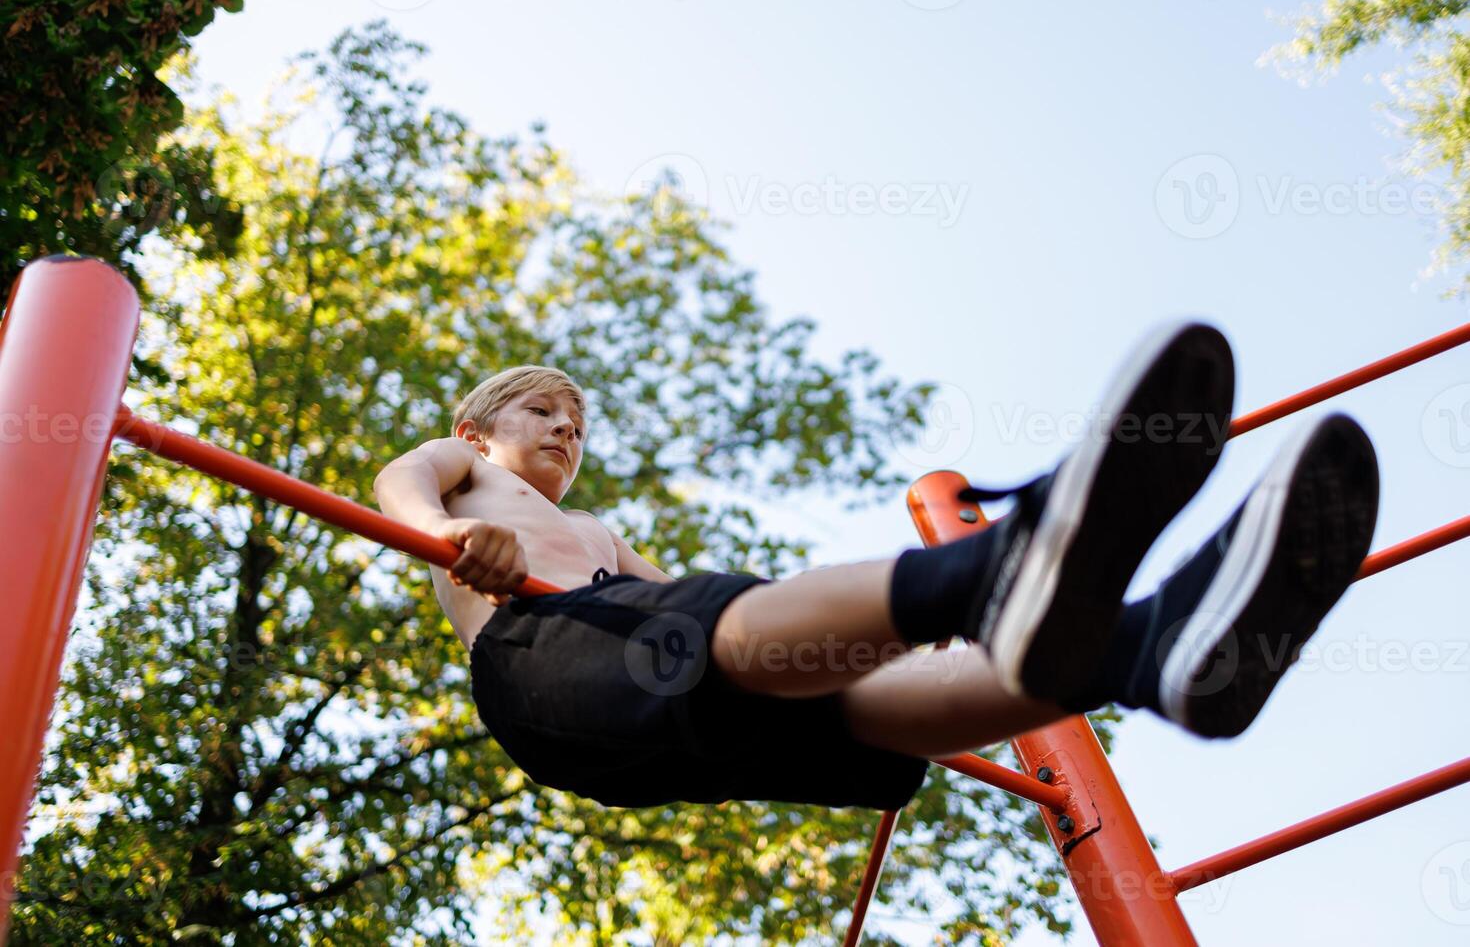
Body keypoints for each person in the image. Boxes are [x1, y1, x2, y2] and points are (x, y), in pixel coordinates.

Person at [372, 322, 1380, 811]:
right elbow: (397, 476)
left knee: (847, 696)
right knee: (709, 626)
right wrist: (450, 534)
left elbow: (690, 595)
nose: (564, 428)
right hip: (540, 656)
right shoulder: (465, 474)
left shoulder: (594, 524)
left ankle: (1143, 654)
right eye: (542, 411)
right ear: (479, 425)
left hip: (642, 689)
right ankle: (990, 568)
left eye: (578, 424)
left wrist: (855, 632)